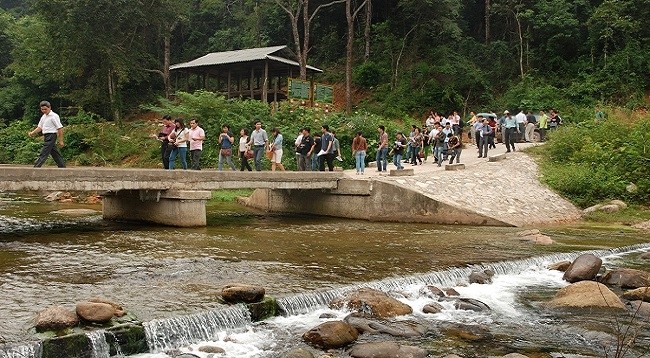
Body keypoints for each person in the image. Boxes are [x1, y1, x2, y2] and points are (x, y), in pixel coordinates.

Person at [29, 101, 66, 168]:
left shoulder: (54, 116)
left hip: (52, 135)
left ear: (49, 108)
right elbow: (40, 127)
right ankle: (62, 166)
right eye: (42, 109)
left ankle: (36, 167)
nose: (44, 111)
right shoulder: (43, 117)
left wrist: (61, 140)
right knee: (54, 152)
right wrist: (32, 133)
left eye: (45, 109)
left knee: (44, 151)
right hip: (46, 136)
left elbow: (60, 128)